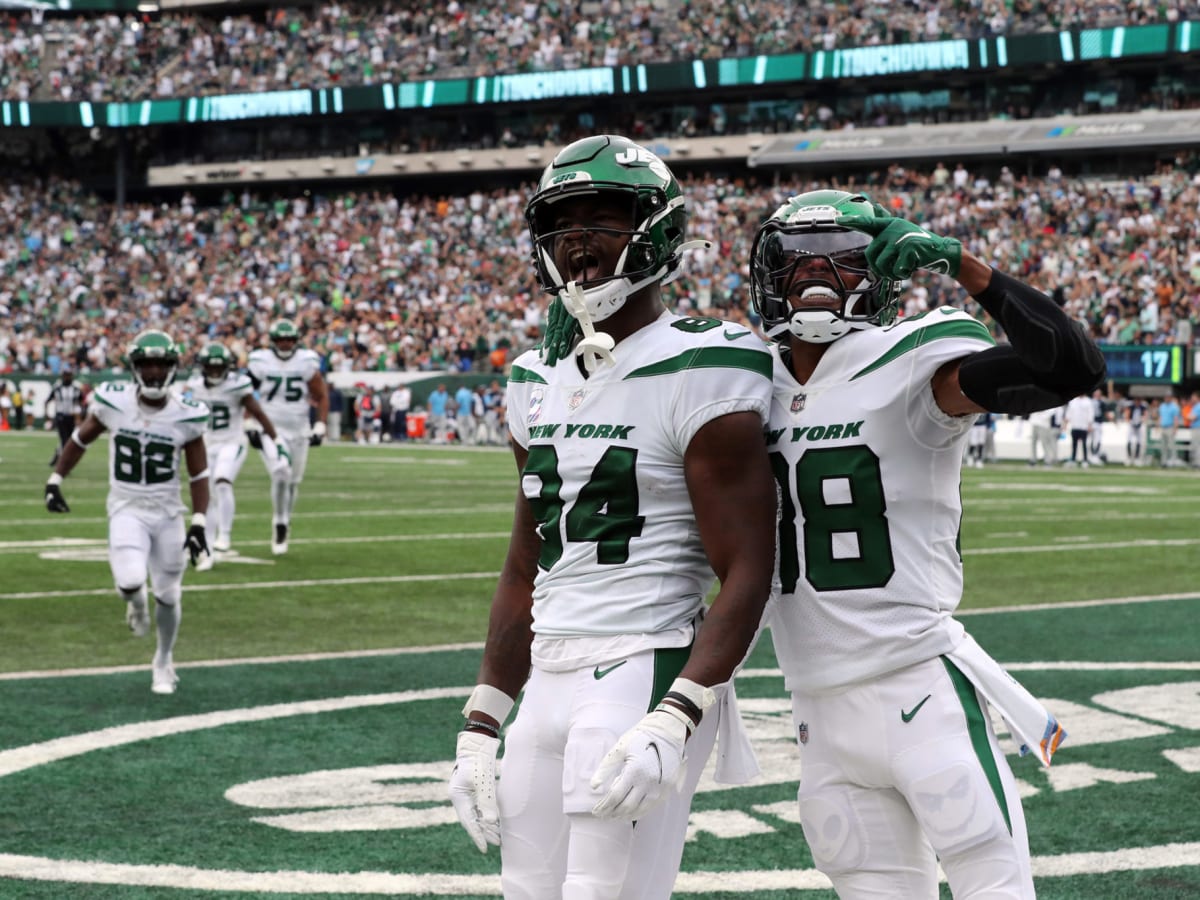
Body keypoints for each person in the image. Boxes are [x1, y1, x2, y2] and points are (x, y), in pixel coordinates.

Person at [748, 190, 1105, 898]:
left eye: (844, 259)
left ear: (881, 274)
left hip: (919, 691)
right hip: (815, 706)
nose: (817, 276)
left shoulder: (912, 363)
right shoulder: (744, 379)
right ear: (767, 274)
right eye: (796, 260)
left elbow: (1072, 368)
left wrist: (969, 269)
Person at [448, 134, 777, 900]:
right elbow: (529, 564)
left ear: (658, 229)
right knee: (525, 893)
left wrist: (682, 710)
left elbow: (749, 567)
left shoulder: (708, 362)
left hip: (646, 657)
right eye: (562, 226)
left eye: (603, 217)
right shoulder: (533, 377)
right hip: (552, 672)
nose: (578, 242)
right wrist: (482, 716)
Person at [43, 330, 210, 695]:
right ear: (134, 368)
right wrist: (56, 478)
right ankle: (135, 607)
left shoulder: (187, 414)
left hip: (167, 512)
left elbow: (199, 473)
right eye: (146, 364)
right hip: (127, 508)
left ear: (172, 368)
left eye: (160, 364)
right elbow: (79, 440)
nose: (152, 372)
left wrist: (199, 521)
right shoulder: (114, 404)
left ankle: (164, 660)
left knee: (169, 594)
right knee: (131, 582)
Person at [185, 343, 288, 566]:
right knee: (208, 496)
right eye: (210, 368)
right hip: (205, 444)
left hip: (231, 442)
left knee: (222, 481)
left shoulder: (237, 385)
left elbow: (258, 412)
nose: (214, 372)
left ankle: (225, 535)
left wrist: (276, 439)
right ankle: (207, 550)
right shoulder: (194, 386)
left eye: (218, 367)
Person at [247, 318, 329, 554]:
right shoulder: (260, 361)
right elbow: (246, 393)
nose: (285, 344)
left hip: (299, 428)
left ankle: (285, 518)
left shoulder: (306, 362)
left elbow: (321, 395)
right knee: (281, 472)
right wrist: (249, 421)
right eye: (281, 340)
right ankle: (280, 523)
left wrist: (320, 426)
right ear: (273, 341)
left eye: (289, 340)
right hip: (270, 428)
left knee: (293, 481)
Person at [47, 366, 84, 467]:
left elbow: (80, 402)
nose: (67, 377)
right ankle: (63, 464)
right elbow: (48, 401)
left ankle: (57, 456)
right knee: (65, 440)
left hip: (71, 417)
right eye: (65, 375)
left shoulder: (76, 388)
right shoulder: (57, 387)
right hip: (60, 416)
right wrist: (48, 417)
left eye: (69, 375)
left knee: (68, 440)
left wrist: (78, 417)